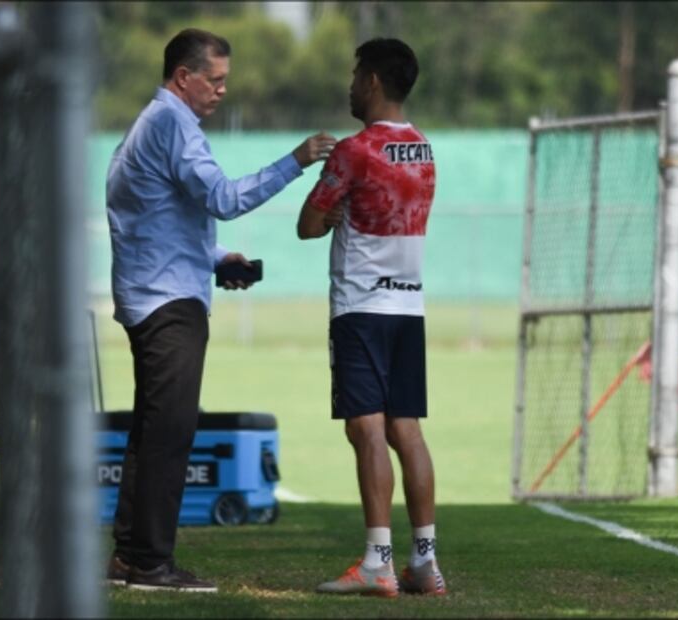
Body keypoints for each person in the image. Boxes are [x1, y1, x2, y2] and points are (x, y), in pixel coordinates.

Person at [104, 28, 336, 593]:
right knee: (170, 435)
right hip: (168, 305)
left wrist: (214, 259)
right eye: (216, 80)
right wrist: (297, 160)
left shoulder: (147, 125)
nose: (223, 91)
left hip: (151, 292)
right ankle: (152, 564)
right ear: (184, 77)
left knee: (149, 432)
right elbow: (225, 200)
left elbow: (153, 221)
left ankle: (128, 556)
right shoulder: (174, 125)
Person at [296, 38, 446, 598]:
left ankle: (378, 563)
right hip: (410, 305)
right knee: (408, 430)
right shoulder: (424, 147)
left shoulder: (354, 151)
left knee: (366, 430)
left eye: (357, 74)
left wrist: (331, 215)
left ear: (375, 82)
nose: (352, 84)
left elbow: (308, 227)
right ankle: (425, 562)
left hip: (361, 307)